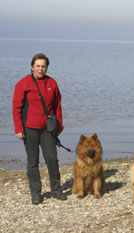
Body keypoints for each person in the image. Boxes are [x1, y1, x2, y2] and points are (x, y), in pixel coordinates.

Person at [12, 53, 67, 204]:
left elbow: (57, 106)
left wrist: (59, 126)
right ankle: (36, 193)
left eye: (43, 66)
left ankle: (56, 189)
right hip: (29, 128)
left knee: (52, 159)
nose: (40, 69)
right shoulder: (23, 83)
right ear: (32, 67)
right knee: (33, 162)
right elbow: (16, 107)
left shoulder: (52, 83)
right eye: (38, 66)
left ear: (47, 67)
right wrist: (18, 128)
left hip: (48, 129)